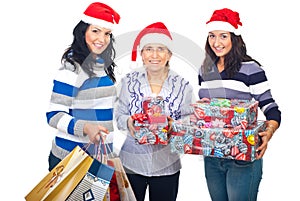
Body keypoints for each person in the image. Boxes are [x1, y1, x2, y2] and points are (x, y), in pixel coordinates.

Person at [198, 8, 281, 201]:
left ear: (234, 38)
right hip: (212, 155)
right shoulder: (205, 70)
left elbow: (270, 108)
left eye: (223, 36)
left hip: (242, 155)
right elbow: (210, 112)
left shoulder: (251, 69)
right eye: (212, 36)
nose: (216, 43)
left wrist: (268, 133)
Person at [115, 22, 194, 201]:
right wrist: (130, 122)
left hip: (167, 164)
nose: (155, 55)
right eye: (149, 49)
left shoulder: (183, 86)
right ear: (141, 54)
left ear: (169, 55)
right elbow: (119, 115)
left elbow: (191, 122)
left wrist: (173, 125)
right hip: (131, 163)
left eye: (161, 49)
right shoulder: (128, 82)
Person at [46, 2, 120, 170]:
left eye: (107, 33)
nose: (102, 39)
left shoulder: (101, 65)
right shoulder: (72, 68)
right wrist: (86, 127)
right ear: (83, 31)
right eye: (95, 31)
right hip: (71, 159)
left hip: (99, 157)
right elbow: (54, 115)